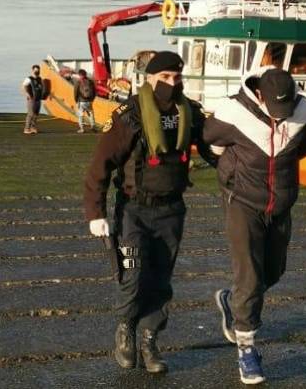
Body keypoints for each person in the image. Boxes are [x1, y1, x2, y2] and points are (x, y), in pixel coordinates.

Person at [82, 51, 216, 374]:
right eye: (166, 78)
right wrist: (95, 213)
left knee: (160, 280)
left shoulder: (191, 114)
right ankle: (126, 328)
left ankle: (149, 338)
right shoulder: (131, 116)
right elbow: (100, 165)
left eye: (177, 77)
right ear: (150, 80)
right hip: (134, 210)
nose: (173, 84)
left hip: (172, 210)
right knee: (133, 274)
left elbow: (214, 148)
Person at [204, 67, 306, 385]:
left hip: (281, 204)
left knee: (273, 272)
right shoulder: (234, 112)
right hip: (243, 201)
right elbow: (209, 137)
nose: (281, 117)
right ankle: (247, 351)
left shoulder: (304, 111)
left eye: (286, 110)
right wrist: (226, 165)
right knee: (251, 280)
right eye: (275, 110)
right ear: (259, 95)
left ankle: (232, 299)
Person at [22, 64, 48, 134]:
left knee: (36, 114)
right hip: (31, 98)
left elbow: (42, 88)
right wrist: (27, 94)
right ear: (33, 70)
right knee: (30, 114)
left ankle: (33, 127)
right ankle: (26, 129)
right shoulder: (29, 78)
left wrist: (44, 95)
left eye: (38, 70)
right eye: (35, 70)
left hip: (38, 98)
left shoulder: (40, 79)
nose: (37, 71)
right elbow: (24, 86)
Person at [74, 69, 97, 133]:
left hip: (81, 101)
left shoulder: (78, 82)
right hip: (89, 101)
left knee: (80, 115)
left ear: (80, 75)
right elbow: (95, 91)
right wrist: (92, 100)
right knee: (91, 113)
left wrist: (76, 101)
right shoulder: (90, 81)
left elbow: (75, 92)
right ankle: (93, 126)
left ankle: (82, 129)